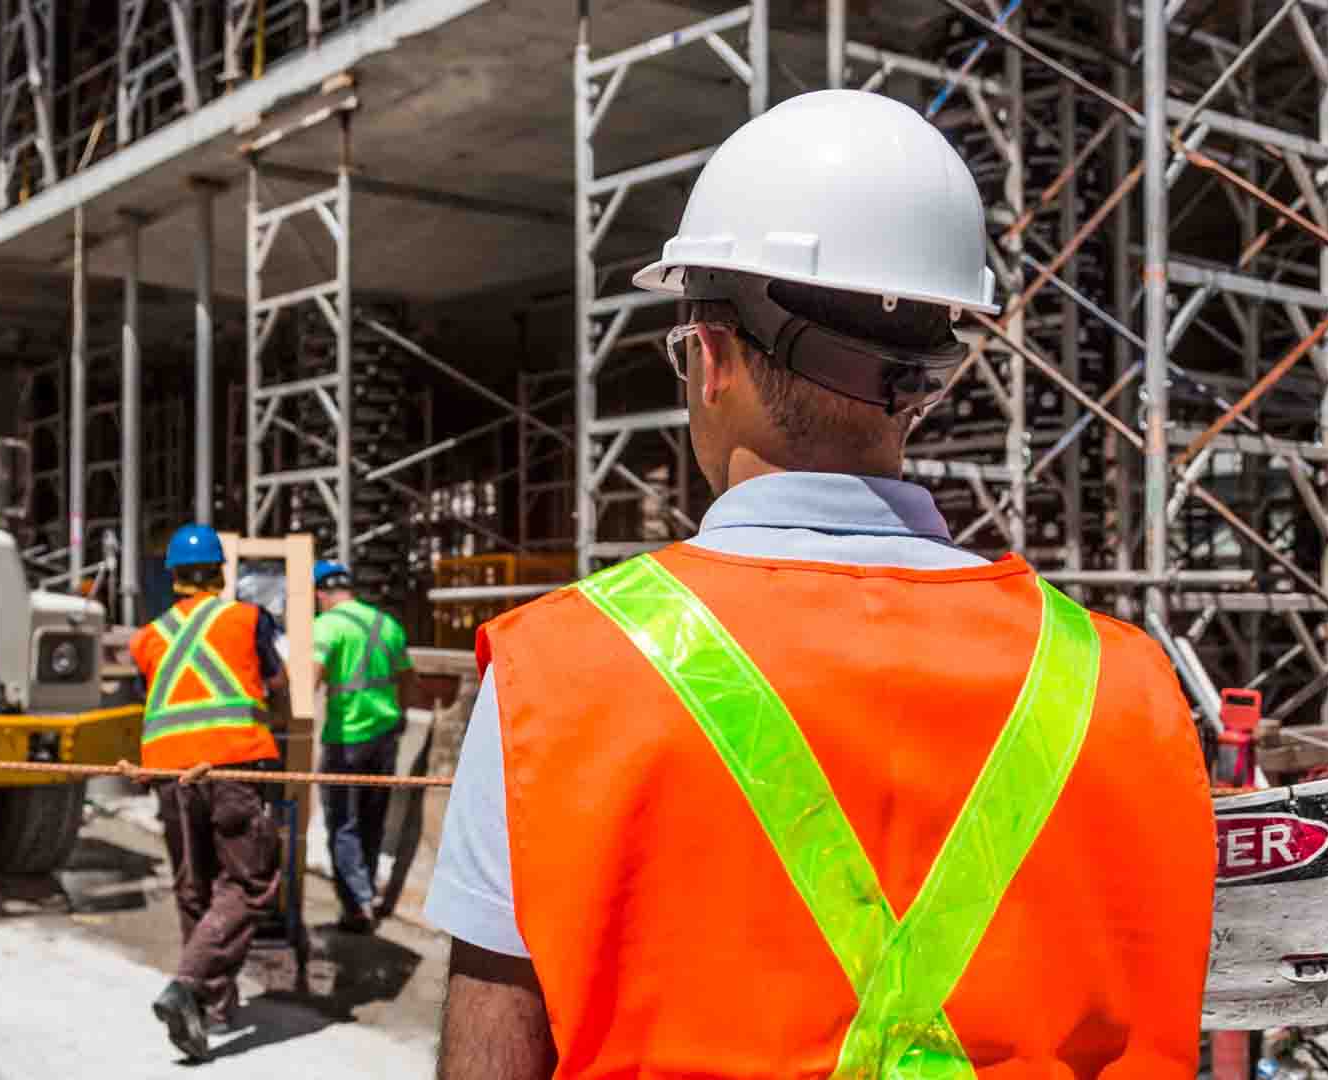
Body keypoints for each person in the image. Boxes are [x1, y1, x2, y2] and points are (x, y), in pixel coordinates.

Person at [426, 89, 1214, 1079]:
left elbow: (495, 1044)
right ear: (925, 380)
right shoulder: (1129, 683)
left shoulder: (556, 676)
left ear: (709, 358)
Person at [129, 523, 289, 1063]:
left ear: (173, 576)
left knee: (194, 886)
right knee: (249, 884)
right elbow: (277, 681)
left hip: (172, 776)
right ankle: (189, 984)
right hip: (231, 766)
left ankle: (212, 1007)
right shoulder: (246, 618)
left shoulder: (148, 637)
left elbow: (152, 700)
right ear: (222, 573)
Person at [310, 559, 417, 932]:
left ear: (321, 594)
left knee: (343, 822)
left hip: (346, 739)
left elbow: (312, 677)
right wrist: (399, 716)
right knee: (373, 819)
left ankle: (356, 905)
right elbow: (408, 677)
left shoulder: (326, 626)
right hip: (385, 737)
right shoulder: (387, 625)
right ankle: (367, 890)